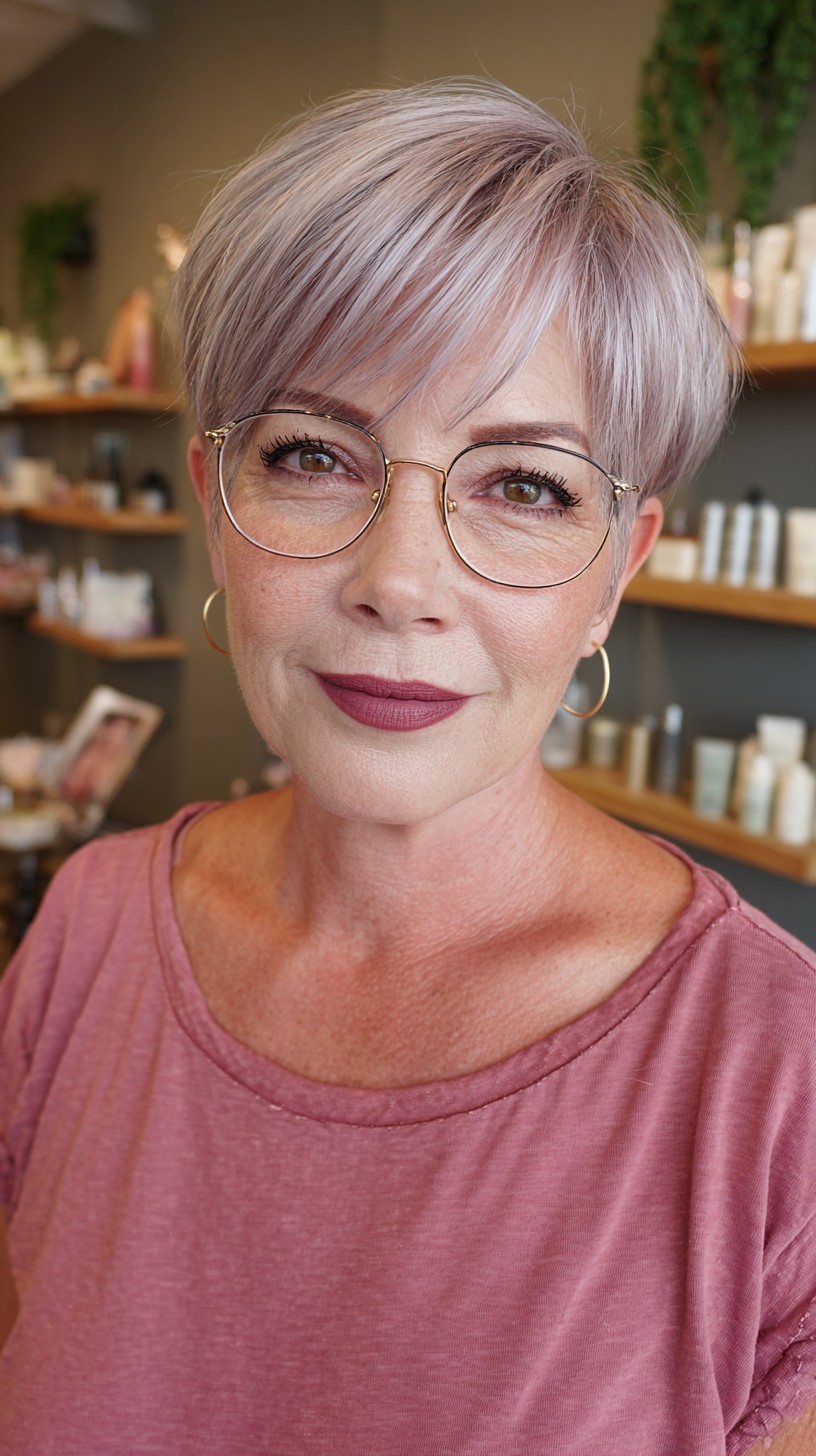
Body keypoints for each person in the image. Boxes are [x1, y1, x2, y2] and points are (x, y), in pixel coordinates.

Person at [1, 80, 815, 1456]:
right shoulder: (83, 939)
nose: (400, 581)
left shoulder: (776, 1079)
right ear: (215, 504)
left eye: (526, 485)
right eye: (314, 455)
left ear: (617, 569)